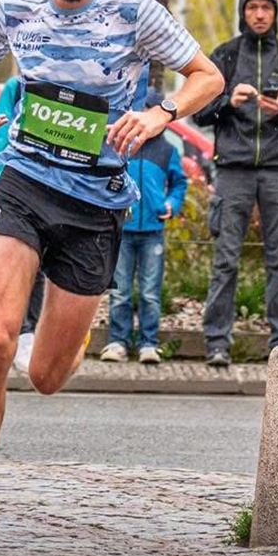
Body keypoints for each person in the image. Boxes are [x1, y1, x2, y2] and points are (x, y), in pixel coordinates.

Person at [0, 0, 222, 541]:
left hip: (96, 202)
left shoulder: (133, 9)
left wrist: (160, 114)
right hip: (25, 183)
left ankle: (74, 334)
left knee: (45, 376)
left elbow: (208, 76)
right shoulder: (16, 6)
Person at [196, 0, 278, 367]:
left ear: (275, 12)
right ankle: (217, 342)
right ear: (242, 12)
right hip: (233, 171)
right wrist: (228, 102)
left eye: (266, 7)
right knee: (225, 260)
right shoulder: (225, 56)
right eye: (253, 8)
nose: (260, 14)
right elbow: (200, 113)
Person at [101, 88, 188, 365]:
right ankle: (118, 341)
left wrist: (171, 203)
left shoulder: (167, 150)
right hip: (123, 231)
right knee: (120, 292)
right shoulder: (121, 144)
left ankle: (149, 343)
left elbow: (179, 182)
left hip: (153, 231)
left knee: (150, 293)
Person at [0, 76, 44, 375]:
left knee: (40, 268)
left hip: (51, 190)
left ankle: (29, 333)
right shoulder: (16, 87)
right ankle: (13, 330)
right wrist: (4, 182)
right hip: (16, 188)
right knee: (14, 266)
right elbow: (0, 135)